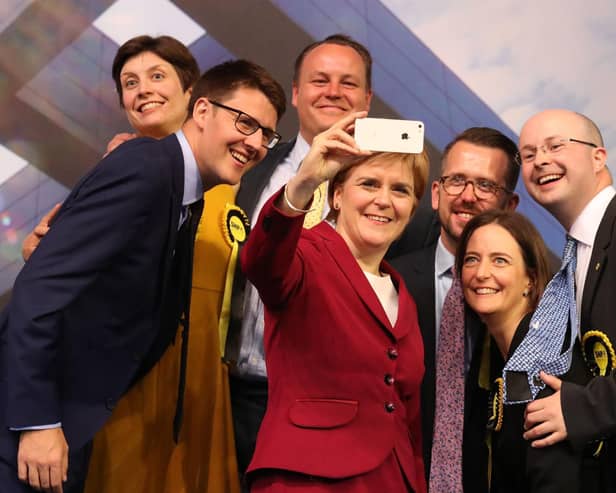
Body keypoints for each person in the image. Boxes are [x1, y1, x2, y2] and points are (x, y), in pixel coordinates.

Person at [0, 58, 286, 493]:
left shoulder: (186, 196)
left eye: (267, 134)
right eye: (246, 123)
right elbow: (40, 291)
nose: (256, 144)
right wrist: (37, 421)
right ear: (203, 111)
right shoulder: (147, 167)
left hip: (68, 425)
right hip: (28, 428)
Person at [241, 111, 429, 492]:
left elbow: (406, 416)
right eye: (369, 183)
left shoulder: (401, 291)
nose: (384, 200)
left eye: (401, 190)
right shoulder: (305, 254)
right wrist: (304, 183)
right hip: (309, 479)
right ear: (337, 195)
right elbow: (260, 261)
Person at [226, 33, 373, 483]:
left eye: (348, 83)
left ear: (366, 98)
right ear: (296, 93)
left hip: (326, 407)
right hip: (229, 394)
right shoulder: (250, 165)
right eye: (319, 80)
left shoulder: (384, 184)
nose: (333, 91)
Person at [391, 127, 520, 491]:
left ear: (509, 205)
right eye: (456, 181)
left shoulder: (534, 297)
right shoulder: (390, 281)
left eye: (485, 186)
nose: (467, 196)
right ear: (436, 193)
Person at [456, 209, 589, 492]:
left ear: (530, 279)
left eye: (500, 261)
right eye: (471, 260)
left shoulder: (543, 354)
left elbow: (557, 478)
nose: (481, 273)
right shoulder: (492, 350)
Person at [518, 109, 616, 491]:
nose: (540, 160)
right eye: (527, 154)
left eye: (555, 145)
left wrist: (584, 409)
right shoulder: (574, 256)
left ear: (598, 157)